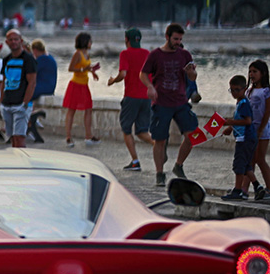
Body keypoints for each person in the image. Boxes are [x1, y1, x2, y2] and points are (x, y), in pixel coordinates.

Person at [141, 23, 198, 187]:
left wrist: (191, 72)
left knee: (193, 135)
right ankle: (159, 173)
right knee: (160, 140)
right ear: (167, 37)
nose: (178, 42)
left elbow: (193, 78)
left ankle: (178, 165)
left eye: (180, 39)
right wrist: (150, 86)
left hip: (181, 102)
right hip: (161, 103)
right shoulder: (155, 55)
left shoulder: (185, 54)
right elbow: (143, 74)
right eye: (175, 39)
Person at [106, 28, 152, 171]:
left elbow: (123, 73)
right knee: (142, 131)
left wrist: (113, 80)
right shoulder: (147, 53)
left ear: (126, 39)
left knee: (126, 129)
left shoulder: (125, 54)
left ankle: (135, 161)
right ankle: (159, 146)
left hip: (131, 97)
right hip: (147, 98)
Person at [0, 29, 38, 148]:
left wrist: (25, 103)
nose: (13, 42)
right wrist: (1, 102)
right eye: (10, 40)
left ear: (21, 41)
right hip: (7, 104)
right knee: (12, 138)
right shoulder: (6, 59)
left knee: (20, 138)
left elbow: (32, 82)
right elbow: (3, 81)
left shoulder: (28, 59)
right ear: (7, 42)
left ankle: (22, 164)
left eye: (16, 39)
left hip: (20, 104)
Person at [63, 32, 101, 147]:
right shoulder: (78, 54)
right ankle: (68, 137)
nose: (91, 43)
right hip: (75, 85)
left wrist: (92, 72)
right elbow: (71, 68)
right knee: (71, 110)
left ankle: (88, 136)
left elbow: (86, 67)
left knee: (88, 109)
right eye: (89, 41)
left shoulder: (87, 54)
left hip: (84, 85)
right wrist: (84, 69)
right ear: (85, 42)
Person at [222, 75, 256, 200]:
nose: (234, 93)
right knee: (246, 165)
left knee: (239, 165)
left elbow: (247, 121)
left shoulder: (244, 104)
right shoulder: (240, 103)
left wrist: (230, 122)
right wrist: (230, 128)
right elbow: (238, 119)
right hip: (243, 137)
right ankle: (258, 187)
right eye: (232, 90)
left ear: (244, 89)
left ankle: (238, 190)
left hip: (245, 138)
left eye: (237, 90)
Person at [247, 60, 270, 198]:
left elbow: (267, 112)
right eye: (250, 71)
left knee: (260, 159)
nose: (251, 74)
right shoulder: (249, 91)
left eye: (255, 72)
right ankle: (246, 189)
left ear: (263, 73)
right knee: (250, 160)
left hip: (263, 130)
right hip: (250, 130)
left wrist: (260, 129)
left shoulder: (266, 91)